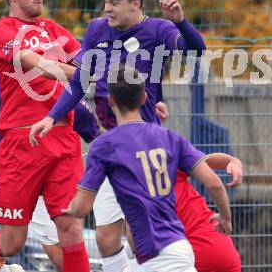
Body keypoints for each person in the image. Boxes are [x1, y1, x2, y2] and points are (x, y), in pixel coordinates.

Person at [30, 0, 207, 270]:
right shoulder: (98, 29)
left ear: (135, 3)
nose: (107, 8)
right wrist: (52, 116)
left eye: (114, 1)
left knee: (140, 237)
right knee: (105, 239)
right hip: (108, 146)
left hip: (143, 147)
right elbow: (81, 80)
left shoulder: (159, 30)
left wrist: (181, 22)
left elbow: (196, 51)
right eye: (105, 0)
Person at [64, 65, 233, 272]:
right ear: (145, 98)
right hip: (179, 249)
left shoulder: (104, 146)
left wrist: (70, 208)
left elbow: (81, 208)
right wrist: (225, 217)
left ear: (110, 101)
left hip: (155, 257)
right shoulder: (171, 138)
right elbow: (214, 183)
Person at [0, 0, 91, 272]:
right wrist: (83, 73)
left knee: (70, 226)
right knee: (14, 242)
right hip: (20, 141)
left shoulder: (54, 29)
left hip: (63, 139)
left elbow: (87, 60)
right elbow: (38, 64)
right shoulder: (0, 32)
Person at [0, 63, 101, 272]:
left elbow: (100, 141)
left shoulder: (73, 104)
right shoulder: (13, 79)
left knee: (62, 259)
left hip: (44, 190)